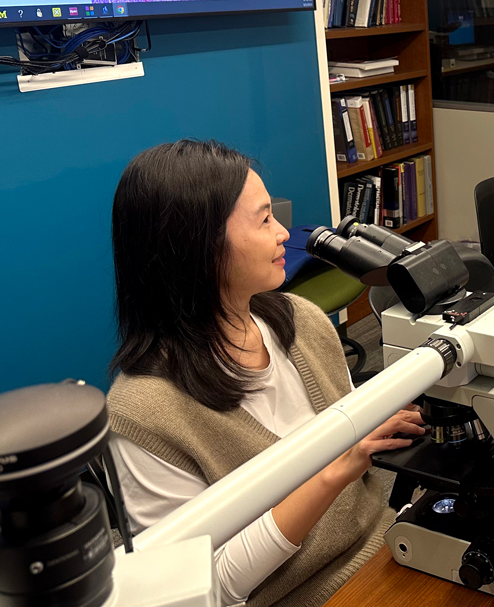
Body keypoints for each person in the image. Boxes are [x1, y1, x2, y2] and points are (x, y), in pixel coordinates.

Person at [106, 140, 425, 607]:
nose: (284, 233)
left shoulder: (302, 320)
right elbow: (208, 589)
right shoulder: (144, 413)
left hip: (385, 546)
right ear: (199, 246)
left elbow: (353, 427)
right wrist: (336, 469)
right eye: (263, 219)